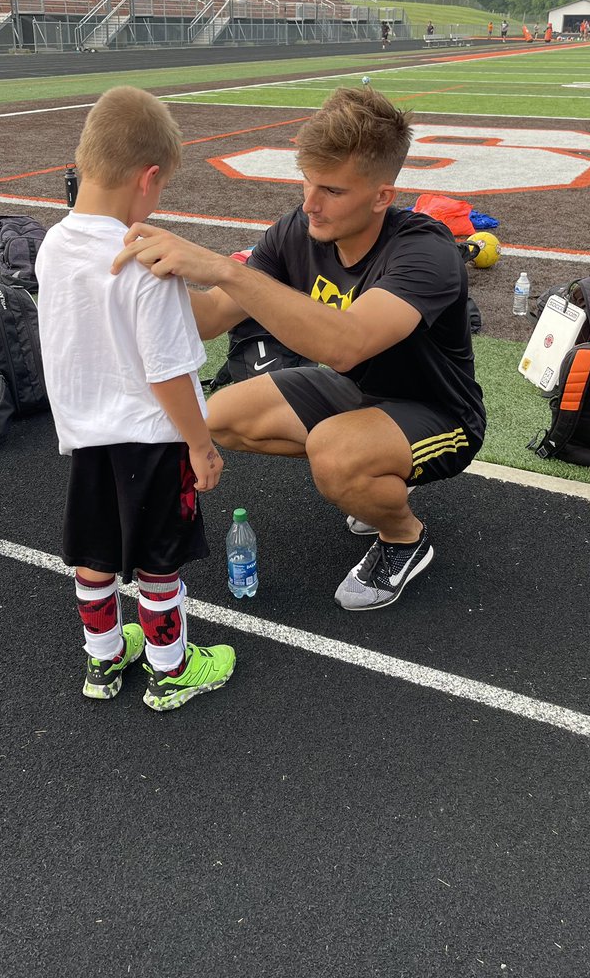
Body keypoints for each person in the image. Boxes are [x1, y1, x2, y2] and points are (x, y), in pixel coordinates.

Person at [112, 86, 487, 613]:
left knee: (333, 456)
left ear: (382, 196)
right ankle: (372, 476)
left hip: (438, 412)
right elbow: (214, 317)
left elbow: (346, 344)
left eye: (331, 190)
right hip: (355, 392)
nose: (310, 203)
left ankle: (404, 534)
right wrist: (138, 285)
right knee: (210, 416)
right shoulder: (298, 230)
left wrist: (222, 267)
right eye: (307, 182)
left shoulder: (426, 249)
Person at [35, 86, 235, 710]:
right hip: (153, 441)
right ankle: (170, 670)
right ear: (149, 179)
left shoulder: (52, 245)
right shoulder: (147, 261)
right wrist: (200, 445)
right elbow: (169, 372)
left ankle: (102, 662)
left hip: (88, 438)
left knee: (93, 556)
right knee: (158, 563)